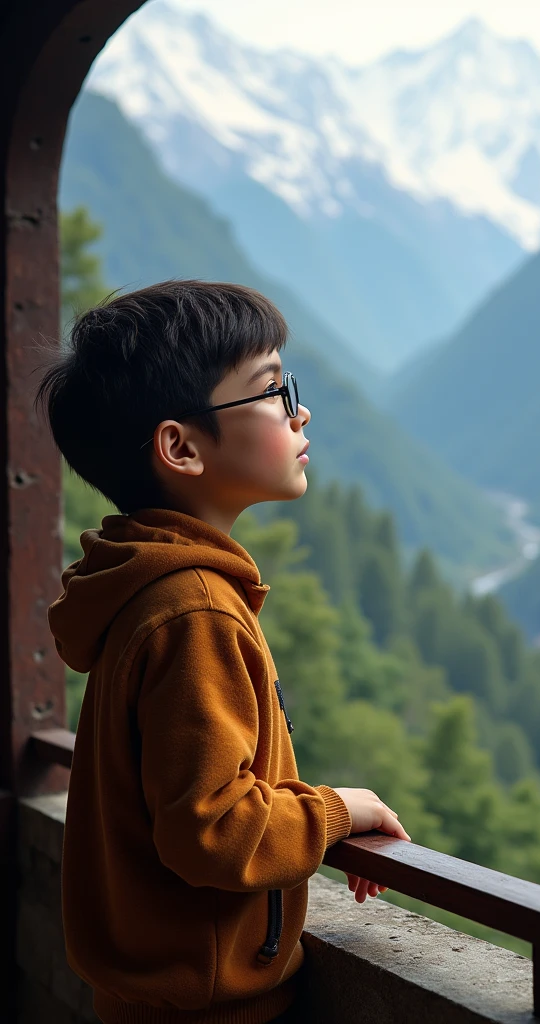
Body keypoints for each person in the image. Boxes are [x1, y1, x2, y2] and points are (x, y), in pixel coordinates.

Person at [35, 280, 411, 1024]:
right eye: (272, 390)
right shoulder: (195, 611)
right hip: (206, 1009)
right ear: (180, 446)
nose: (299, 411)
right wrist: (337, 810)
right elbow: (211, 830)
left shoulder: (147, 590)